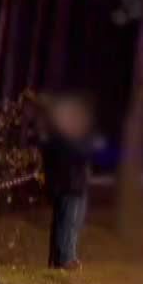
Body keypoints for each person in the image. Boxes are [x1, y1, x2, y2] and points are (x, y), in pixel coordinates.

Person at [39, 94, 94, 270]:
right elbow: (76, 157)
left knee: (67, 222)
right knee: (69, 222)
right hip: (72, 184)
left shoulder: (59, 136)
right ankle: (65, 259)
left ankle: (59, 259)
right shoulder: (66, 137)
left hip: (69, 183)